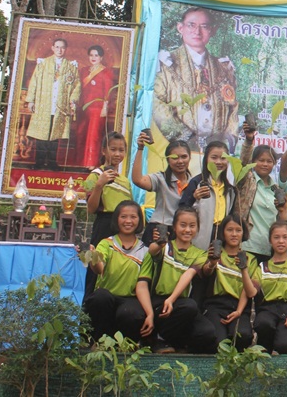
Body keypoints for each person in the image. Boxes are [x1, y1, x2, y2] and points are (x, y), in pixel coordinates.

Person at [153, 7, 238, 151]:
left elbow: (233, 108)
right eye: (191, 25)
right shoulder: (166, 64)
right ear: (180, 28)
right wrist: (185, 139)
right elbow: (156, 104)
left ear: (212, 30)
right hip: (179, 151)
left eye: (204, 26)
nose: (197, 32)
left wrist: (226, 141)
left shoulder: (224, 68)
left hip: (216, 153)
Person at [135, 207, 217, 353]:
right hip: (158, 303)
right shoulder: (164, 247)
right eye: (183, 225)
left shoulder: (200, 254)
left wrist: (212, 263)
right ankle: (158, 339)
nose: (187, 230)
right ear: (174, 227)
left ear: (197, 229)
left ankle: (177, 343)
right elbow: (153, 251)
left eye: (192, 226)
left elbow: (189, 275)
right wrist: (158, 244)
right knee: (189, 306)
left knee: (207, 332)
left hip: (179, 303)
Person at [82, 201, 148, 343]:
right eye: (123, 216)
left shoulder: (145, 251)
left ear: (140, 220)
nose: (128, 221)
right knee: (100, 298)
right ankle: (98, 342)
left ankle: (124, 345)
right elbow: (99, 268)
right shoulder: (106, 243)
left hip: (129, 299)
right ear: (116, 219)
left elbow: (142, 286)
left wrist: (150, 314)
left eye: (133, 217)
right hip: (107, 298)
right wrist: (93, 256)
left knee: (131, 313)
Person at [251, 221, 287, 355]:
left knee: (285, 346)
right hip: (267, 309)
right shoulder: (262, 266)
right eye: (276, 237)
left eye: (285, 237)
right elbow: (252, 291)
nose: (281, 241)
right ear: (270, 240)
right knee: (263, 324)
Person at [84, 132, 132, 294]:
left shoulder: (125, 180)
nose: (117, 154)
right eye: (113, 149)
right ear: (104, 150)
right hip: (104, 225)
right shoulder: (95, 176)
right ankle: (89, 305)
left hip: (123, 228)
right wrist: (100, 185)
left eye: (121, 150)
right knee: (96, 266)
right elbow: (91, 209)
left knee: (118, 268)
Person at [202, 214, 258, 351]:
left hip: (238, 305)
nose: (234, 234)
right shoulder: (215, 253)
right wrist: (212, 263)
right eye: (229, 230)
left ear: (243, 233)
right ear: (223, 232)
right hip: (216, 304)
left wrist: (238, 311)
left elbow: (250, 292)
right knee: (219, 342)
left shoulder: (250, 258)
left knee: (242, 336)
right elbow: (205, 272)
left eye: (238, 230)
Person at [236, 123, 287, 264]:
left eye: (269, 161)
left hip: (268, 248)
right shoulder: (247, 181)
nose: (265, 164)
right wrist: (249, 140)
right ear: (253, 162)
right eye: (261, 160)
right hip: (247, 245)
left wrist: (283, 210)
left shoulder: (276, 189)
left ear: (274, 164)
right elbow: (243, 163)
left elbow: (282, 221)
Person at [25, 38, 81, 170]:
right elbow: (34, 82)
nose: (59, 50)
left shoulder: (71, 66)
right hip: (44, 104)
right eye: (57, 47)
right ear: (52, 48)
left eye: (62, 47)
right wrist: (31, 100)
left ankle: (52, 162)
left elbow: (77, 85)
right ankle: (39, 162)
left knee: (55, 135)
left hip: (60, 106)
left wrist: (72, 101)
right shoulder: (43, 64)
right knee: (41, 135)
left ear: (65, 49)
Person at [132, 135, 192, 248]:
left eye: (184, 157)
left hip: (182, 233)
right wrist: (140, 148)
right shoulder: (160, 178)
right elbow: (138, 180)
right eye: (175, 157)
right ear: (167, 159)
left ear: (190, 157)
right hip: (158, 229)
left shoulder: (194, 183)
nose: (180, 161)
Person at [179, 140, 236, 251]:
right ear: (206, 159)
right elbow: (182, 210)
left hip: (221, 238)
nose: (218, 162)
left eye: (223, 158)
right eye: (214, 157)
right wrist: (194, 198)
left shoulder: (230, 189)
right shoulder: (197, 183)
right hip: (199, 238)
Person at [76, 45, 115, 167]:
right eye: (91, 55)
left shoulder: (106, 72)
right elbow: (78, 88)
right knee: (81, 134)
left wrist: (105, 107)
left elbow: (108, 91)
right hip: (83, 108)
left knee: (93, 136)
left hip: (97, 109)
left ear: (101, 57)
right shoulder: (84, 71)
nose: (93, 58)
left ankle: (91, 163)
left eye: (96, 55)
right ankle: (80, 162)